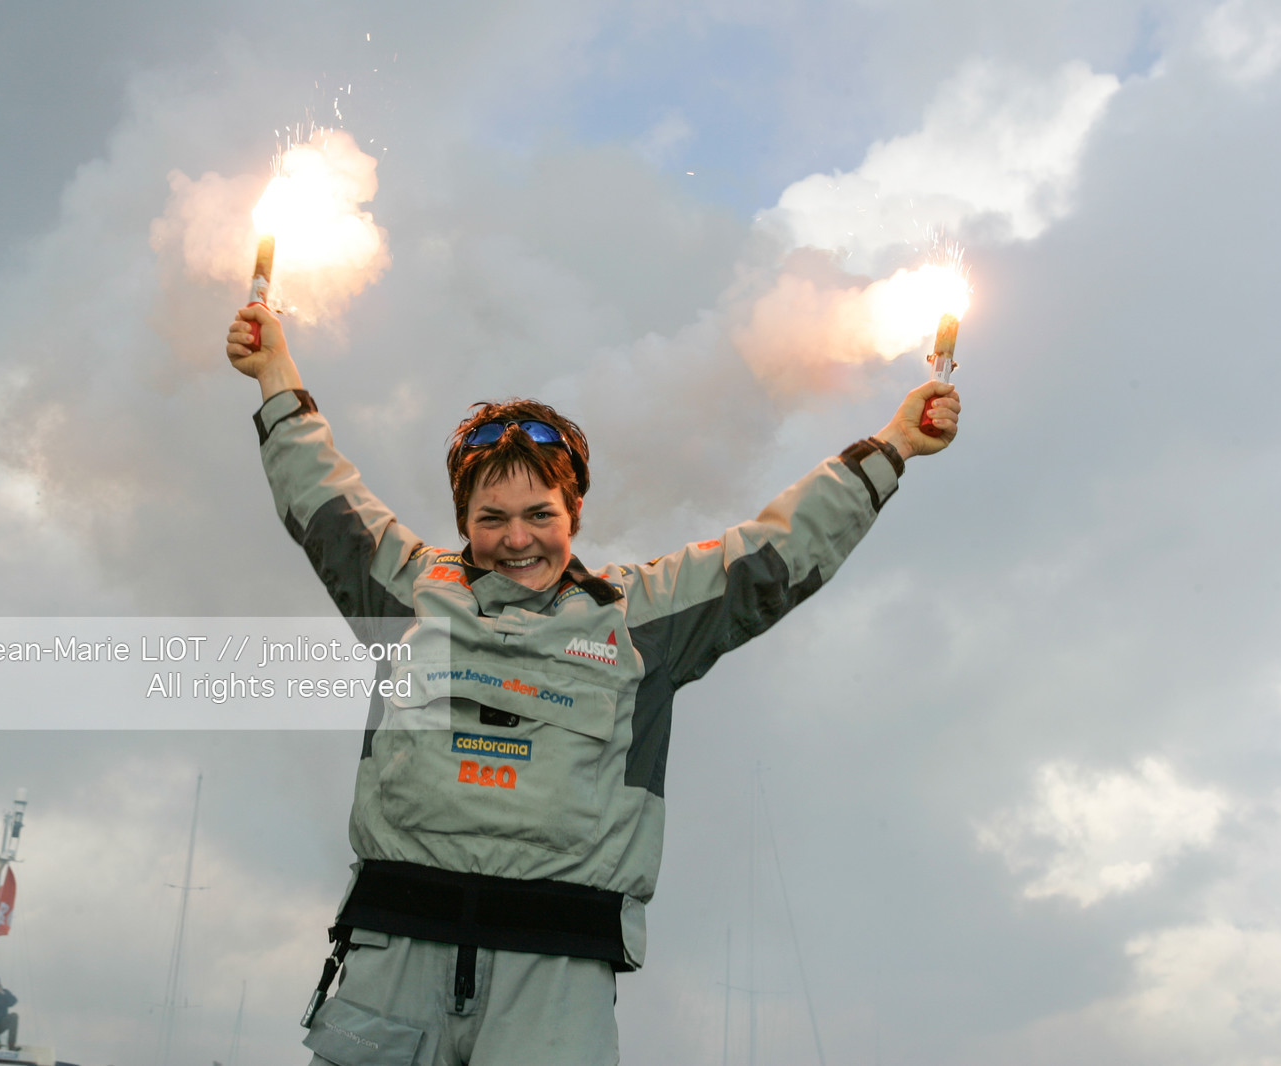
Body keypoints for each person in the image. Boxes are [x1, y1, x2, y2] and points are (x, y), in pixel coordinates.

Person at [227, 304, 961, 1065]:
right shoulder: (407, 592)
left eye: (540, 513)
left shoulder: (643, 617)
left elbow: (774, 554)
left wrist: (895, 445)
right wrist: (274, 372)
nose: (517, 539)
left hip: (558, 978)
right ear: (464, 518)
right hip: (389, 956)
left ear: (573, 510)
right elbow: (322, 498)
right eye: (492, 517)